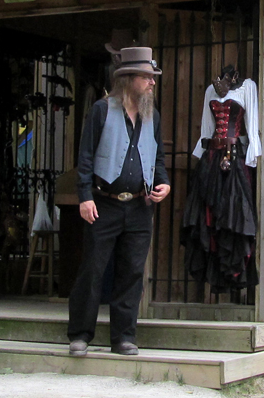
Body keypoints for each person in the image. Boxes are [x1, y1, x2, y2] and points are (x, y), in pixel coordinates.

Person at [68, 46, 170, 357]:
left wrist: (164, 183)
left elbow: (160, 159)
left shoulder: (153, 116)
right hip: (104, 202)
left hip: (140, 206)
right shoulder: (101, 110)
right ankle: (80, 335)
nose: (152, 82)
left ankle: (124, 337)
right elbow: (85, 158)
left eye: (152, 78)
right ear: (128, 79)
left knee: (132, 272)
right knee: (93, 270)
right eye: (146, 77)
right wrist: (84, 197)